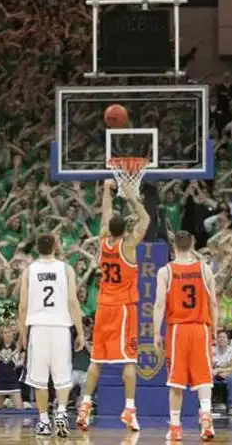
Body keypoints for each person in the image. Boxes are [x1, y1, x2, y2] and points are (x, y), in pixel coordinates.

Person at [76, 180, 150, 432]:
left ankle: (85, 406)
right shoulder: (127, 246)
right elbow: (146, 219)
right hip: (123, 308)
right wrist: (130, 197)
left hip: (104, 307)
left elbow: (106, 214)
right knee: (129, 360)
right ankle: (129, 409)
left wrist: (108, 191)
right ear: (126, 230)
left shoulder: (102, 241)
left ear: (109, 229)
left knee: (96, 360)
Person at [153, 230, 218, 441]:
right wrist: (214, 329)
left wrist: (156, 333)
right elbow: (213, 303)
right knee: (204, 378)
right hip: (200, 328)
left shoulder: (165, 271)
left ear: (173, 246)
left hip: (177, 330)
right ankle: (206, 417)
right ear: (192, 245)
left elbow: (160, 304)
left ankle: (175, 427)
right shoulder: (204, 269)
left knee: (176, 381)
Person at [18, 233, 84, 437]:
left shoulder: (29, 271)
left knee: (39, 380)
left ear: (36, 248)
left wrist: (23, 334)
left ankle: (44, 421)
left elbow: (23, 306)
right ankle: (62, 413)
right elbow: (73, 302)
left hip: (38, 328)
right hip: (61, 328)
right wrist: (80, 332)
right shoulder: (66, 269)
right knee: (62, 378)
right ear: (56, 247)